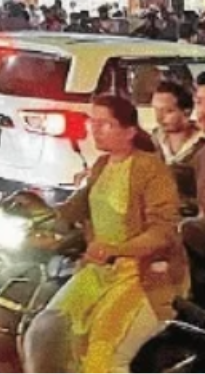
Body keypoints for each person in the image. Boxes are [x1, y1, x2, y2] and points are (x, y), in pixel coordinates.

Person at [23, 95, 187, 373]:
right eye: (93, 123)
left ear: (129, 131)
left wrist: (116, 249)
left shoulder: (151, 170)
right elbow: (74, 209)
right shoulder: (101, 165)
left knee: (104, 355)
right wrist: (38, 217)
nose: (95, 130)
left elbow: (163, 233)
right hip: (98, 272)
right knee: (46, 331)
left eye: (105, 124)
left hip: (143, 277)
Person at [152, 81, 205, 214]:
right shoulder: (152, 141)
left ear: (186, 112)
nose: (159, 118)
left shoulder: (201, 144)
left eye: (168, 111)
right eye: (156, 110)